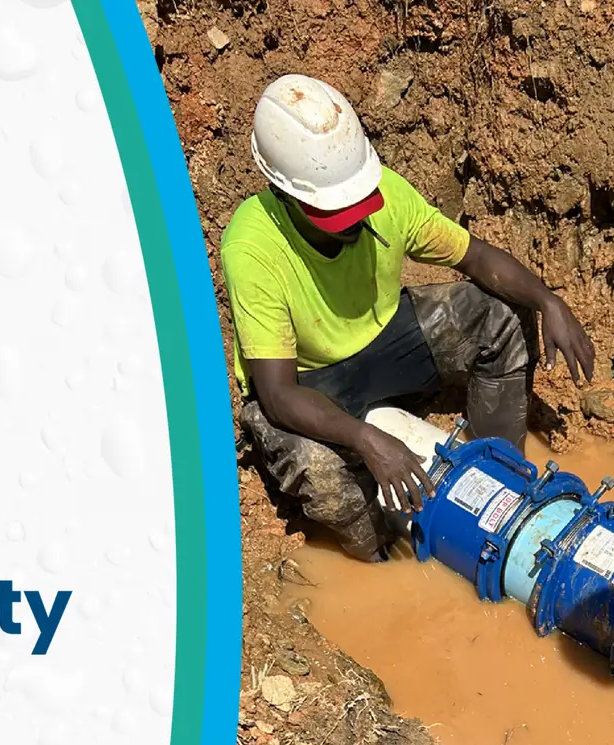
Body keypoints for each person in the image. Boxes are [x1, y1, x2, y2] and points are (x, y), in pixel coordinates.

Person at [221, 73, 594, 562]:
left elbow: (476, 257)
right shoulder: (252, 246)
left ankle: (504, 478)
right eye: (337, 213)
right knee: (324, 475)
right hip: (309, 383)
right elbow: (277, 394)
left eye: (361, 203)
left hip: (387, 344)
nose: (356, 218)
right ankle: (384, 553)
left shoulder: (385, 196)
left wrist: (549, 301)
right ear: (286, 193)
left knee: (498, 317)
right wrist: (365, 439)